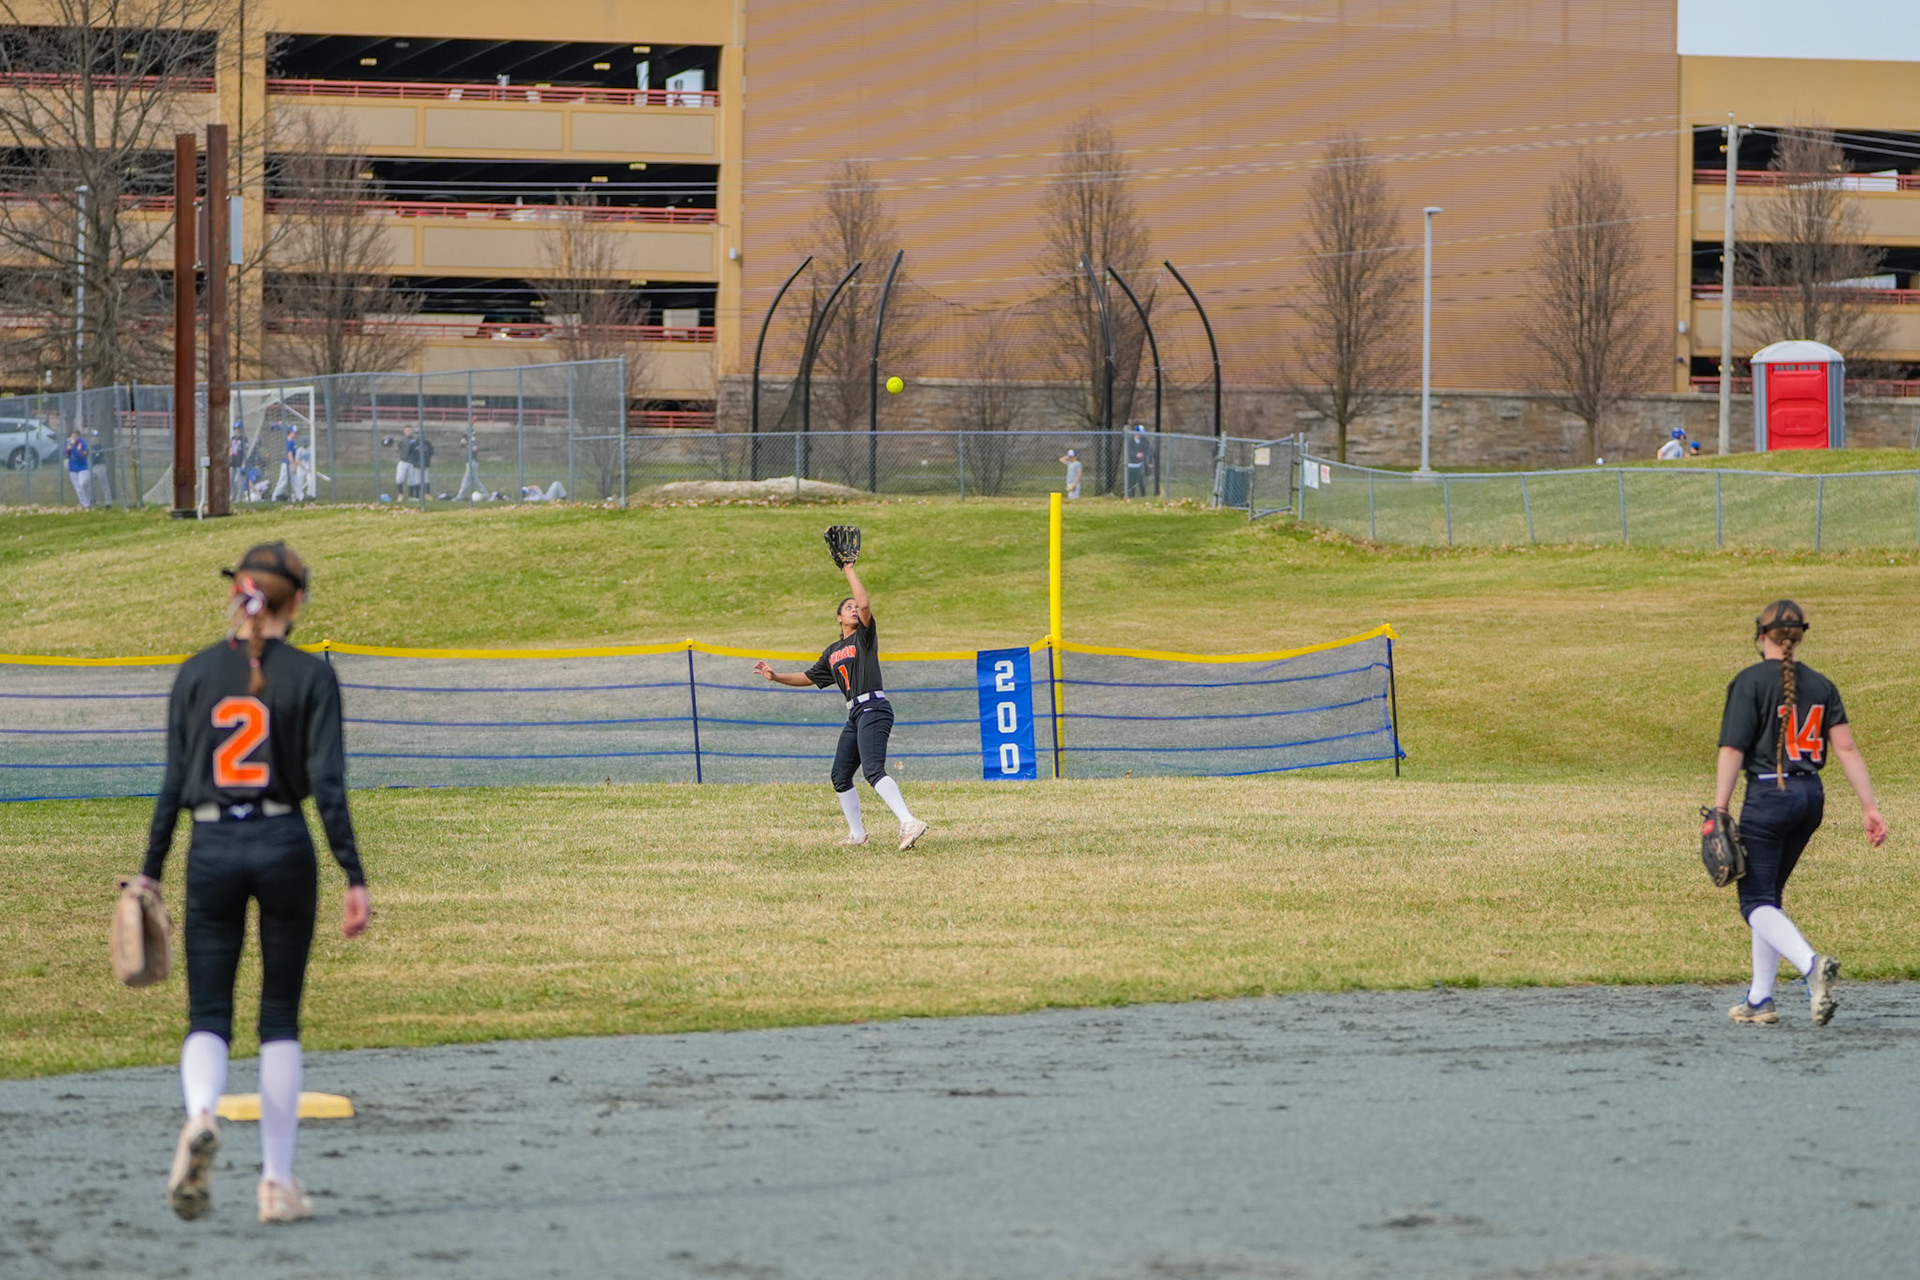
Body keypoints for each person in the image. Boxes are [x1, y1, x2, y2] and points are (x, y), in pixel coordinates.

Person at [131, 542, 370, 1223]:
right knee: (279, 1020)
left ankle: (202, 1114)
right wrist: (353, 874)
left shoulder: (198, 673)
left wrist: (150, 872)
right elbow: (327, 786)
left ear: (238, 594)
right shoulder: (311, 675)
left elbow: (173, 786)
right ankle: (275, 1183)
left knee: (209, 1012)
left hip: (211, 847)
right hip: (282, 843)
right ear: (298, 602)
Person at [1716, 600, 1885, 1027]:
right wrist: (1869, 807)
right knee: (1768, 896)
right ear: (1800, 637)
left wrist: (1719, 807)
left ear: (1761, 636)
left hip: (1769, 796)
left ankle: (1811, 966)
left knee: (1754, 902)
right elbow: (1845, 747)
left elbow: (1733, 749)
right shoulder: (1821, 684)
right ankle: (1760, 999)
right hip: (1810, 796)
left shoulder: (1750, 681)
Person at [753, 547, 929, 852]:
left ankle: (909, 821)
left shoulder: (864, 637)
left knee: (873, 770)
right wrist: (776, 676)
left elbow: (865, 603)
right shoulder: (832, 651)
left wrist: (848, 568)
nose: (854, 609)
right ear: (838, 617)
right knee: (840, 775)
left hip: (874, 708)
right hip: (855, 715)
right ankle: (857, 834)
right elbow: (809, 677)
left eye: (855, 607)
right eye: (847, 607)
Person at [64, 428, 92, 508]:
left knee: (82, 484)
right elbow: (65, 454)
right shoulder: (68, 442)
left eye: (75, 436)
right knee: (78, 488)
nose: (74, 438)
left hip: (82, 467)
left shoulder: (82, 443)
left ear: (79, 436)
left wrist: (79, 450)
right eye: (72, 436)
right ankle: (85, 504)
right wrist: (68, 449)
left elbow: (83, 455)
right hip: (72, 468)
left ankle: (90, 500)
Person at [1124, 426, 1149, 499]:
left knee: (1141, 482)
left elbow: (1146, 450)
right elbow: (1129, 452)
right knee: (1131, 482)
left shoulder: (1143, 441)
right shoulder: (1130, 441)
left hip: (1139, 465)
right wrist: (1135, 455)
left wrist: (1143, 455)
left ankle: (1143, 496)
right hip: (1131, 465)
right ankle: (1131, 496)